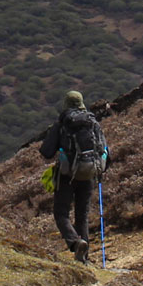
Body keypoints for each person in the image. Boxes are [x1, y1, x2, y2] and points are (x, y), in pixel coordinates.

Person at [39, 90, 107, 263]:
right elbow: (104, 150)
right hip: (89, 174)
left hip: (67, 175)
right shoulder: (93, 123)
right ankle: (84, 259)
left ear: (66, 105)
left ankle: (76, 243)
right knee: (82, 215)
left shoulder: (62, 124)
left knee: (61, 213)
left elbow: (46, 152)